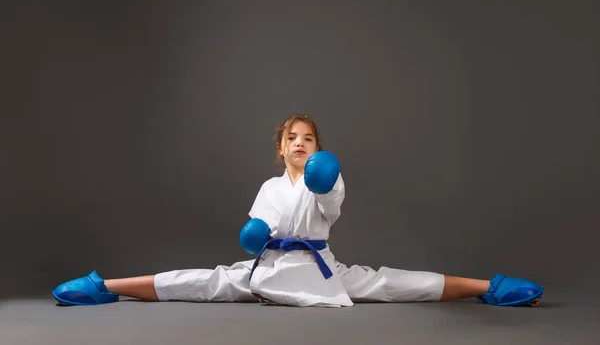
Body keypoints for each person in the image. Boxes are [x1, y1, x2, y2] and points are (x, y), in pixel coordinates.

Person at [52, 114, 544, 307]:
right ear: (281, 148)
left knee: (394, 282)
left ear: (318, 149)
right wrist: (255, 233)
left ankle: (489, 287)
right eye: (293, 138)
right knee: (199, 280)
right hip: (266, 268)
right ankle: (105, 286)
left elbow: (330, 206)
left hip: (321, 269)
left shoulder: (325, 178)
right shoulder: (270, 185)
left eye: (309, 139)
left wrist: (325, 179)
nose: (301, 143)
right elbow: (261, 225)